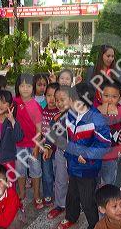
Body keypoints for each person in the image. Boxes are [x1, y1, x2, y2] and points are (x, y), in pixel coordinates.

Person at [57, 83, 112, 229]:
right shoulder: (70, 114)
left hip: (88, 168)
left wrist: (88, 155)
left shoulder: (96, 118)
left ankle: (94, 224)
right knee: (72, 194)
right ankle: (71, 216)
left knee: (87, 199)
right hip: (72, 164)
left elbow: (105, 143)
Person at [13, 73, 44, 209]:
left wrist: (37, 146)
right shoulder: (14, 102)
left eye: (28, 86)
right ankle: (22, 193)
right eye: (22, 85)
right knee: (20, 170)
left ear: (33, 87)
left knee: (35, 170)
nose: (25, 89)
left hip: (33, 145)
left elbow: (39, 128)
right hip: (19, 144)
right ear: (18, 87)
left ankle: (37, 195)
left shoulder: (35, 105)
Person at [44, 86, 73, 219]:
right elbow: (52, 135)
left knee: (76, 181)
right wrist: (48, 148)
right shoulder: (56, 117)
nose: (59, 103)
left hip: (75, 155)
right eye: (57, 100)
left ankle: (76, 204)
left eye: (62, 99)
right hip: (61, 153)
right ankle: (60, 205)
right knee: (60, 179)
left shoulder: (77, 116)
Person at [40, 82, 60, 207]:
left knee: (58, 174)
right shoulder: (41, 110)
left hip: (57, 149)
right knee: (47, 173)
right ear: (44, 96)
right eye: (48, 95)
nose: (51, 99)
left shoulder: (61, 112)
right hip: (45, 149)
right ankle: (47, 194)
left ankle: (58, 195)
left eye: (54, 96)